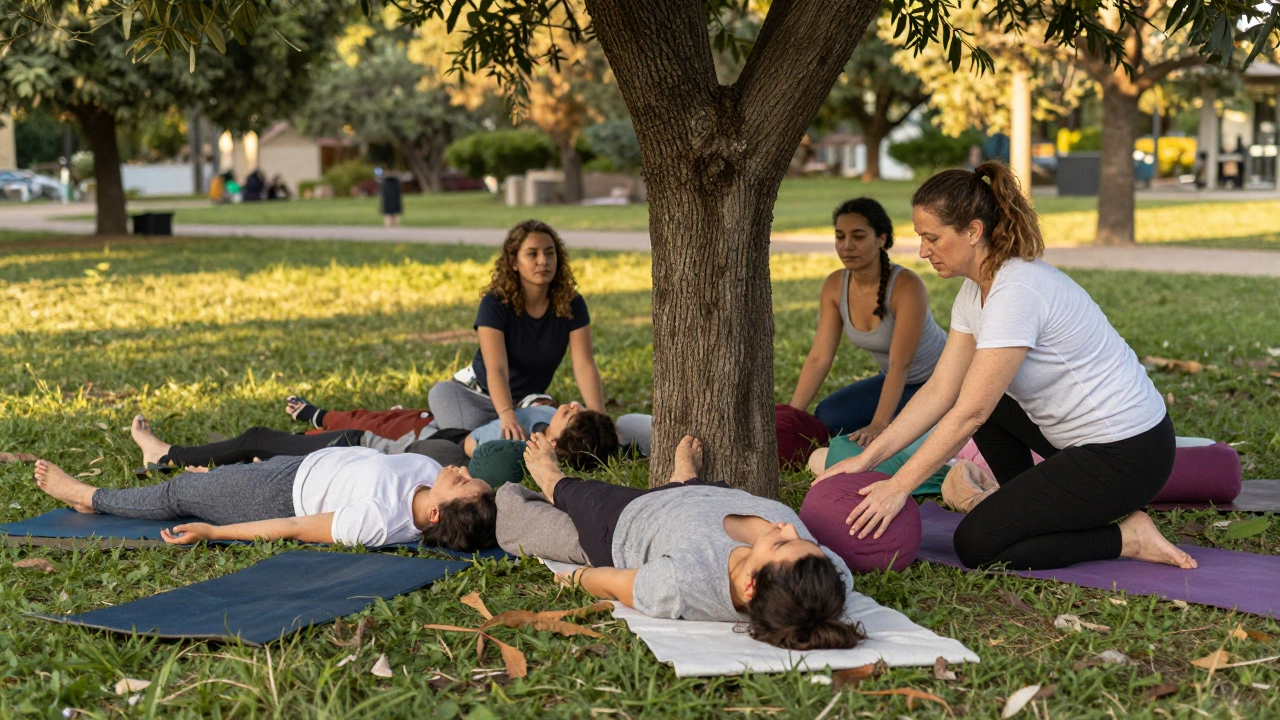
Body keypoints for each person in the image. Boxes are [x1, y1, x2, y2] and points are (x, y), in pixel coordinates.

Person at [816, 161, 1196, 572]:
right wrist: (867, 460)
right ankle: (1024, 504)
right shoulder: (974, 290)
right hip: (1081, 443)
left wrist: (899, 487)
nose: (923, 250)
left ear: (974, 232)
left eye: (932, 238)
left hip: (1129, 454)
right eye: (920, 238)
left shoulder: (1016, 291)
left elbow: (970, 413)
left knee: (978, 545)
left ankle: (1127, 538)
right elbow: (941, 391)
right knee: (989, 408)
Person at [519, 433, 866, 650]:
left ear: (750, 586)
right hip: (713, 497)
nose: (787, 527)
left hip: (630, 519)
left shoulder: (684, 582)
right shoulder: (828, 579)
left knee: (573, 492)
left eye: (780, 544)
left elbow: (611, 582)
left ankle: (550, 478)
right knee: (694, 491)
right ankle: (684, 479)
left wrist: (574, 578)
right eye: (805, 541)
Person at [32, 446, 497, 552]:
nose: (460, 470)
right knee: (213, 480)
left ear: (435, 512)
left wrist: (215, 531)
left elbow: (293, 528)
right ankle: (216, 482)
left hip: (277, 497)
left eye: (462, 481)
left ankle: (87, 495)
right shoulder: (429, 474)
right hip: (300, 464)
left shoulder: (375, 522)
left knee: (181, 493)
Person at [788, 198, 947, 443]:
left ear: (881, 239)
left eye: (859, 236)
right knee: (828, 416)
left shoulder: (907, 285)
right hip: (898, 385)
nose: (847, 245)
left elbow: (900, 365)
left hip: (942, 381)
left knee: (910, 434)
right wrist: (792, 417)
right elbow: (819, 357)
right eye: (840, 237)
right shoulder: (835, 285)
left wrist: (879, 425)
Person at [427, 220, 605, 437]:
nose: (543, 261)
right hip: (474, 395)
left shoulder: (572, 304)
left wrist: (600, 420)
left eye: (550, 253)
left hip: (528, 401)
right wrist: (506, 414)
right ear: (514, 262)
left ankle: (499, 431)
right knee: (473, 428)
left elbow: (584, 365)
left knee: (560, 428)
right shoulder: (494, 304)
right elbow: (497, 369)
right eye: (532, 254)